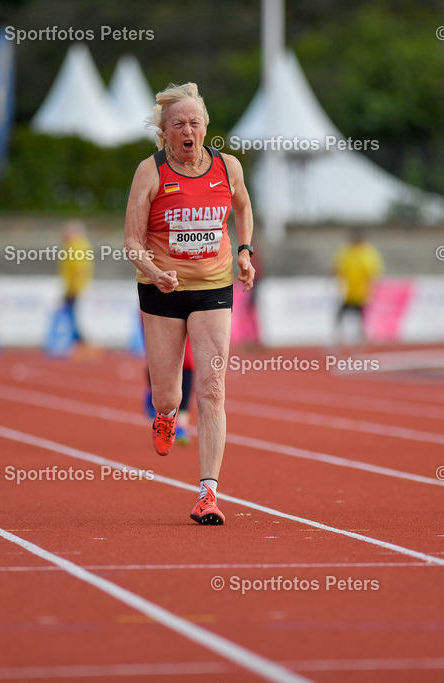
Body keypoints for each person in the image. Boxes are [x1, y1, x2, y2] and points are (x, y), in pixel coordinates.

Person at [124, 82, 255, 525]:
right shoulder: (151, 171)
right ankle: (164, 415)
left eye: (194, 122)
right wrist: (154, 271)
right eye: (178, 123)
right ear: (165, 132)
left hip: (214, 286)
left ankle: (208, 494)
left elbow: (242, 206)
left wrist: (244, 251)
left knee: (213, 391)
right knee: (169, 393)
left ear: (205, 128)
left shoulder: (227, 166)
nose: (187, 129)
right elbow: (130, 241)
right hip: (162, 287)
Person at [334, 228, 383, 345]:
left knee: (361, 316)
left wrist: (371, 288)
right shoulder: (346, 252)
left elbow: (373, 272)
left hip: (361, 291)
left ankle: (362, 336)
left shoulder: (368, 253)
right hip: (348, 292)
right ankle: (340, 336)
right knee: (341, 314)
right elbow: (338, 267)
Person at [144, 334, 195, 446]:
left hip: (190, 317)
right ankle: (153, 391)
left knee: (187, 360)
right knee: (157, 355)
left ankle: (181, 424)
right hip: (157, 318)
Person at [58, 221, 94, 345]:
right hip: (77, 286)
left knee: (75, 317)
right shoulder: (79, 245)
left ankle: (79, 343)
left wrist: (72, 289)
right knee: (75, 316)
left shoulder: (76, 246)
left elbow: (79, 268)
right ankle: (78, 341)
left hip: (76, 288)